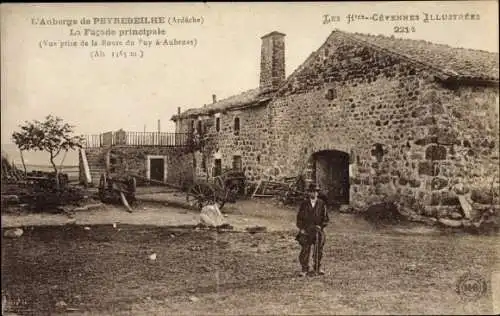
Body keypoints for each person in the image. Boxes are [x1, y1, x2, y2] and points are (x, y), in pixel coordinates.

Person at [296, 183, 329, 277]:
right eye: (311, 192)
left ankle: (317, 268)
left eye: (315, 192)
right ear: (308, 193)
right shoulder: (304, 204)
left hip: (317, 230)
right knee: (305, 249)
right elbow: (299, 218)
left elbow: (326, 218)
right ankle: (304, 269)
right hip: (306, 230)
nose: (313, 193)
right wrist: (301, 229)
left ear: (317, 193)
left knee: (318, 249)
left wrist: (321, 226)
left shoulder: (321, 204)